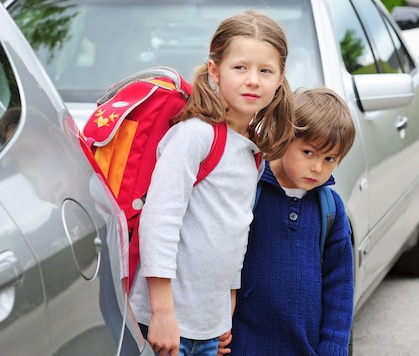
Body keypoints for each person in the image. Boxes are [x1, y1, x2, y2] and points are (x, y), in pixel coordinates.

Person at [127, 10, 296, 356]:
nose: (253, 80)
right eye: (240, 68)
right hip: (163, 324)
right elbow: (160, 222)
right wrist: (161, 313)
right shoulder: (195, 136)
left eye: (265, 71)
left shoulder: (252, 149)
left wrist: (224, 313)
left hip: (209, 328)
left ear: (279, 79)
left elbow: (233, 232)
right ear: (215, 71)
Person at [221, 87, 357, 355]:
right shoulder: (249, 189)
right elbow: (220, 260)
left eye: (329, 159)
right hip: (244, 345)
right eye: (308, 152)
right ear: (285, 138)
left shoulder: (331, 209)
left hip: (305, 348)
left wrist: (333, 347)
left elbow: (340, 287)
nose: (318, 168)